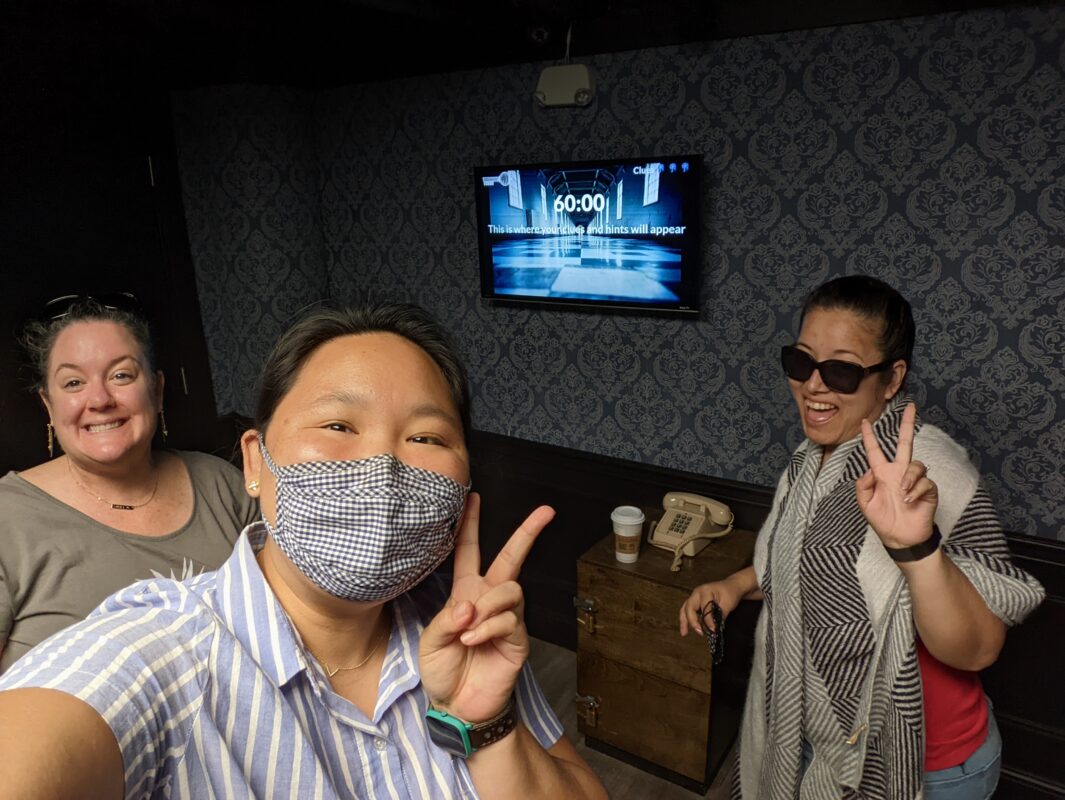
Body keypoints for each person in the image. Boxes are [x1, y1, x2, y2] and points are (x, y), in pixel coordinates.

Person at [0, 301, 608, 800]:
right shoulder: (161, 653)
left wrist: (486, 725)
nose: (384, 467)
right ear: (253, 462)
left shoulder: (467, 623)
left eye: (425, 436)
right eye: (338, 426)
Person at [678, 275, 1045, 799]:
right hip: (811, 735)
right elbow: (802, 563)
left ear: (892, 378)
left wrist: (915, 549)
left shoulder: (931, 470)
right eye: (800, 362)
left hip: (924, 763)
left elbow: (979, 648)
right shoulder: (808, 464)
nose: (813, 385)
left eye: (842, 370)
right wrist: (736, 586)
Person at [0, 292, 260, 673]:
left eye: (121, 375)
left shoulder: (221, 484)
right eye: (73, 383)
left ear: (156, 391)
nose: (100, 399)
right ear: (48, 405)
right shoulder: (8, 516)